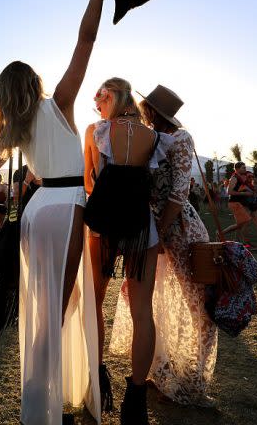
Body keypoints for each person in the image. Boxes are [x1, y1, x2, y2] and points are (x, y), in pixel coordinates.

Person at [0, 0, 133, 424]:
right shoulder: (57, 104)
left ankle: (51, 394)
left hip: (36, 209)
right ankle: (45, 401)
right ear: (36, 83)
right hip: (68, 205)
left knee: (42, 306)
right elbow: (86, 42)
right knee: (61, 305)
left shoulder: (13, 125)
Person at [107, 86, 218, 407]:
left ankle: (194, 380)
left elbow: (179, 192)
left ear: (152, 111)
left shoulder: (180, 139)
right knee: (147, 302)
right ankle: (159, 369)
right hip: (148, 230)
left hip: (177, 228)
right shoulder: (147, 137)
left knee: (198, 305)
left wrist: (158, 229)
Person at [84, 79, 171, 416]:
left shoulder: (96, 131)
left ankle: (97, 376)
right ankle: (135, 398)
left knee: (95, 299)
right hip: (140, 223)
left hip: (104, 221)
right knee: (142, 310)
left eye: (100, 96)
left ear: (114, 97)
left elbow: (89, 179)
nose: (97, 102)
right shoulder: (154, 137)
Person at [222, 162, 254, 245]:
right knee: (246, 221)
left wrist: (249, 191)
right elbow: (229, 192)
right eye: (243, 167)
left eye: (245, 167)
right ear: (237, 169)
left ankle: (221, 234)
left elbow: (243, 188)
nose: (245, 169)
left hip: (238, 203)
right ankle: (247, 244)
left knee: (240, 225)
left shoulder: (240, 178)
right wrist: (244, 193)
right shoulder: (234, 178)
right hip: (234, 203)